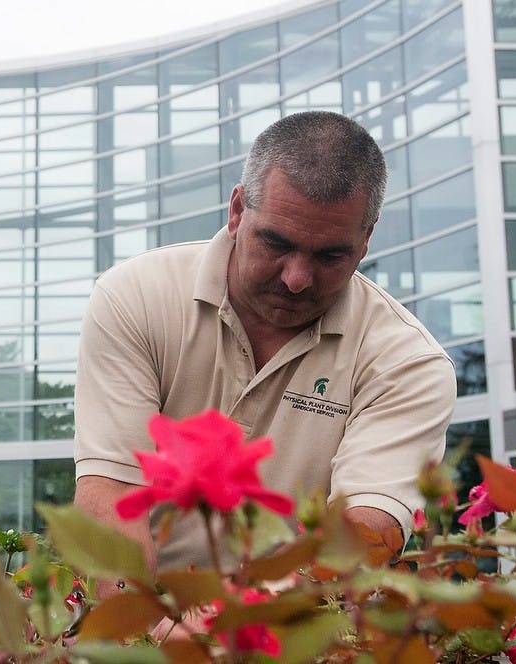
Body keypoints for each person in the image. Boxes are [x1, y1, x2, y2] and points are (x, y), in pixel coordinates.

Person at [73, 111, 456, 588]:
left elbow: (366, 529)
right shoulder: (137, 297)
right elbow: (111, 491)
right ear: (237, 211)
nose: (296, 278)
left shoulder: (408, 363)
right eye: (276, 242)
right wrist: (148, 632)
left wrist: (233, 625)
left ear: (366, 239)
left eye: (330, 255)